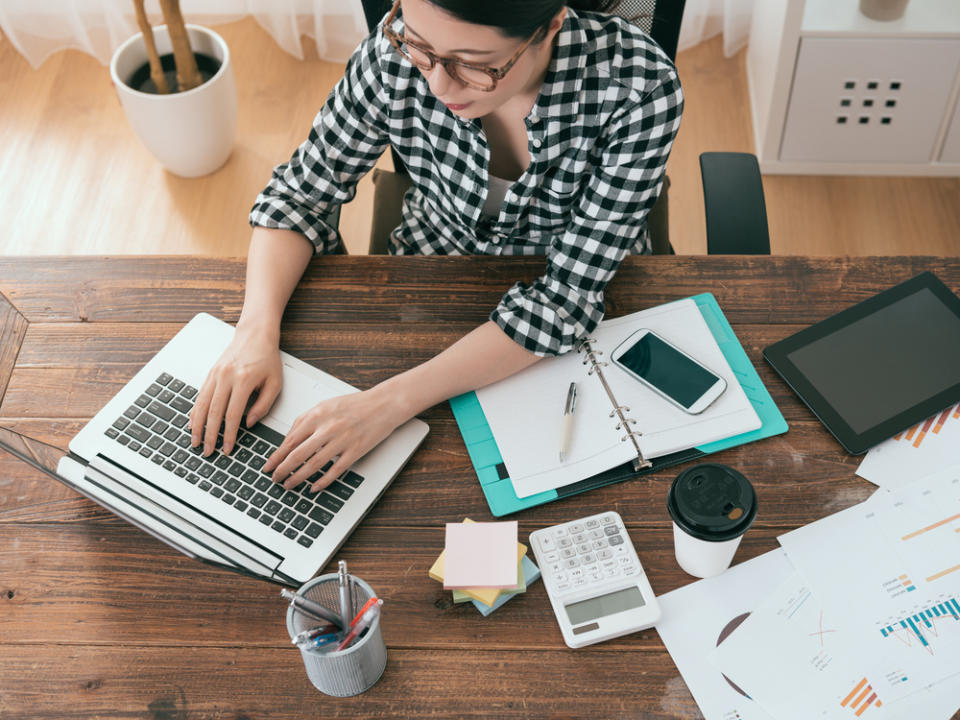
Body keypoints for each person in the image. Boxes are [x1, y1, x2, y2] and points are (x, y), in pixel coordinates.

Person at [189, 0, 683, 492]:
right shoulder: (392, 55)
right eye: (422, 49)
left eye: (473, 64)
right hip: (431, 274)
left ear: (549, 25)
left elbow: (564, 300)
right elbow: (298, 196)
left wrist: (388, 404)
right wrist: (253, 333)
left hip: (579, 321)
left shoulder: (639, 89)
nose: (439, 85)